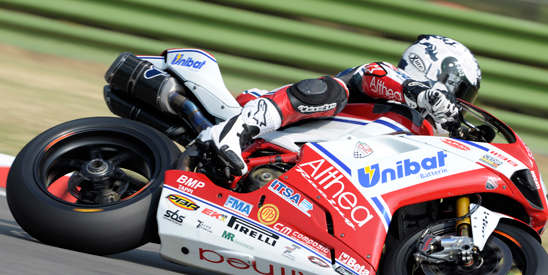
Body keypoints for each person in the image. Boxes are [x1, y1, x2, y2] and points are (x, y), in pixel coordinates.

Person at [199, 35, 482, 176]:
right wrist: (419, 93)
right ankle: (235, 132)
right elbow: (372, 74)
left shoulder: (421, 131)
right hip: (258, 116)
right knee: (335, 91)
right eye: (461, 92)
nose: (460, 103)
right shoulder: (389, 81)